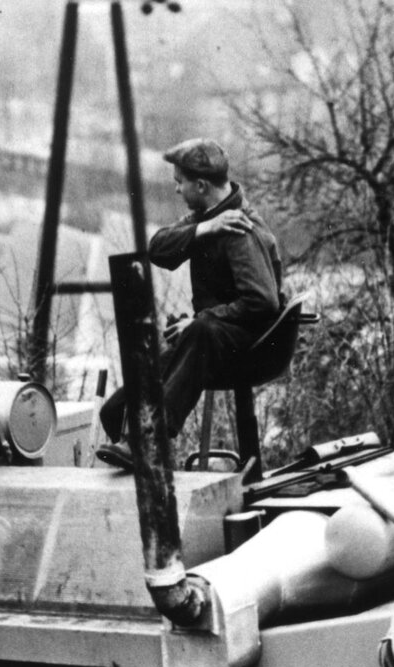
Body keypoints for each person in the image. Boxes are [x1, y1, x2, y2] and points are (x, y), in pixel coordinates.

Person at [96, 138, 284, 466]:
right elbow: (157, 248)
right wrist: (203, 230)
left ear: (200, 185)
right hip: (218, 334)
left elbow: (263, 303)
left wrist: (201, 319)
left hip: (254, 343)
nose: (176, 190)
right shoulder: (209, 216)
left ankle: (147, 443)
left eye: (179, 183)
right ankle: (145, 458)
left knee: (200, 331)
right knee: (116, 411)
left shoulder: (240, 228)